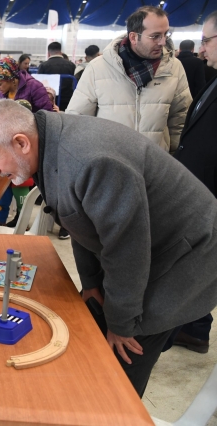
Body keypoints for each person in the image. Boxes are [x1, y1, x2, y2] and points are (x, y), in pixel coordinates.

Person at [0, 99, 217, 397]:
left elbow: (127, 250)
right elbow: (78, 217)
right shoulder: (47, 142)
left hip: (187, 256)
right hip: (147, 246)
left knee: (122, 360)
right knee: (96, 329)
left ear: (21, 143)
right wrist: (91, 283)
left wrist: (122, 323)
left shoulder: (91, 161)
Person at [66, 6, 192, 154]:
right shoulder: (98, 68)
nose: (163, 42)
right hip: (109, 162)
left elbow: (180, 117)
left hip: (155, 164)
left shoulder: (174, 68)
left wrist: (175, 156)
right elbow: (78, 119)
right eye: (155, 36)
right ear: (133, 37)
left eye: (166, 34)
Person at [166, 11, 217, 354]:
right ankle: (193, 329)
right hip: (196, 195)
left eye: (206, 40)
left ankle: (185, 328)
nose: (201, 50)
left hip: (207, 200)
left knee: (193, 271)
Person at [0, 58, 54, 229]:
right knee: (14, 180)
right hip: (14, 141)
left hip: (32, 140)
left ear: (12, 78)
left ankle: (31, 220)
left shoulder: (34, 87)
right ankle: (19, 219)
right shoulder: (4, 92)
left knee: (28, 182)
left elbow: (46, 115)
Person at [37, 42, 76, 110]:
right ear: (61, 52)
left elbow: (39, 84)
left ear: (48, 53)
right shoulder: (71, 65)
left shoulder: (43, 66)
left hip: (49, 100)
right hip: (67, 99)